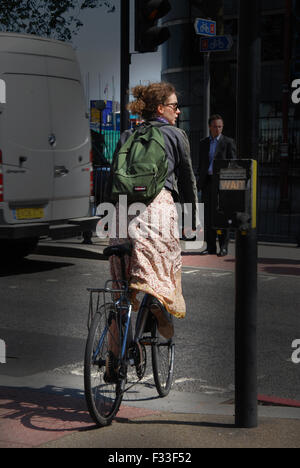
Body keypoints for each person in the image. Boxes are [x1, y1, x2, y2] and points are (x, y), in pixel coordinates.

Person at [104, 82, 198, 377]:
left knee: (122, 292)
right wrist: (193, 218)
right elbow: (187, 181)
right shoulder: (176, 135)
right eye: (174, 106)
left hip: (122, 214)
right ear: (160, 109)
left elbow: (112, 180)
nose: (178, 111)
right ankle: (158, 300)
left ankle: (110, 360)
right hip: (157, 213)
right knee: (161, 274)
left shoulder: (127, 135)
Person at [197, 114, 236, 257]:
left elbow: (233, 163)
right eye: (215, 126)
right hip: (207, 182)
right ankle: (211, 247)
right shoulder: (204, 143)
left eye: (220, 126)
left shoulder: (228, 142)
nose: (217, 129)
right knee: (208, 217)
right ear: (209, 127)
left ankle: (223, 247)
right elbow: (201, 163)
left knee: (221, 216)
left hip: (221, 184)